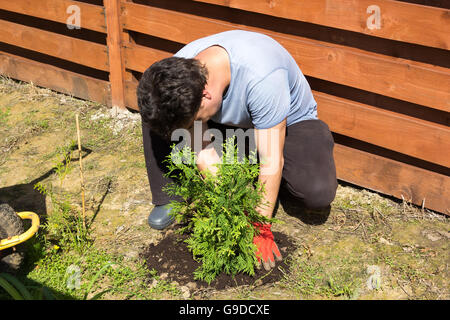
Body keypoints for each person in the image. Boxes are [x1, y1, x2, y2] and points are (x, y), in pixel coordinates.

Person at [137, 30, 338, 271]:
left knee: (316, 192)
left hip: (288, 123)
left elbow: (271, 158)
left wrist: (260, 225)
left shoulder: (263, 77)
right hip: (231, 125)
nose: (190, 128)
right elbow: (203, 151)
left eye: (194, 120)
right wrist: (228, 201)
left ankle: (262, 167)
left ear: (205, 95)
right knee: (158, 114)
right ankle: (169, 196)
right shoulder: (176, 75)